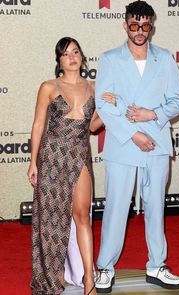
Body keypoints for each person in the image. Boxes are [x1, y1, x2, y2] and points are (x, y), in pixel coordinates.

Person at [95, 1, 179, 293]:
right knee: (116, 208)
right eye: (134, 25)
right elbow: (103, 106)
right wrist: (134, 133)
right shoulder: (110, 59)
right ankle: (105, 268)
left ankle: (157, 265)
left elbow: (178, 101)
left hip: (157, 142)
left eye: (145, 26)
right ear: (125, 25)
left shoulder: (165, 58)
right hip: (124, 144)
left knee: (156, 207)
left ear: (152, 26)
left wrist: (152, 114)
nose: (140, 31)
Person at [27, 36, 111, 295]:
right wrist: (33, 162)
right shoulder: (49, 87)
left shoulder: (95, 88)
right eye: (66, 54)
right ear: (59, 61)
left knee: (83, 216)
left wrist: (108, 107)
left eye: (76, 52)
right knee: (51, 219)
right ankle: (53, 276)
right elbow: (39, 125)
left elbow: (93, 127)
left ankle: (89, 280)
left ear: (82, 57)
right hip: (52, 155)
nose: (72, 57)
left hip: (79, 153)